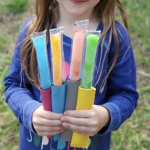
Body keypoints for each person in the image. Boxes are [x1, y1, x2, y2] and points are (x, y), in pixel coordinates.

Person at [4, 0, 139, 150]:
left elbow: (126, 94)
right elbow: (15, 85)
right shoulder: (32, 30)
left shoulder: (115, 38)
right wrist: (31, 112)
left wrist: (105, 116)